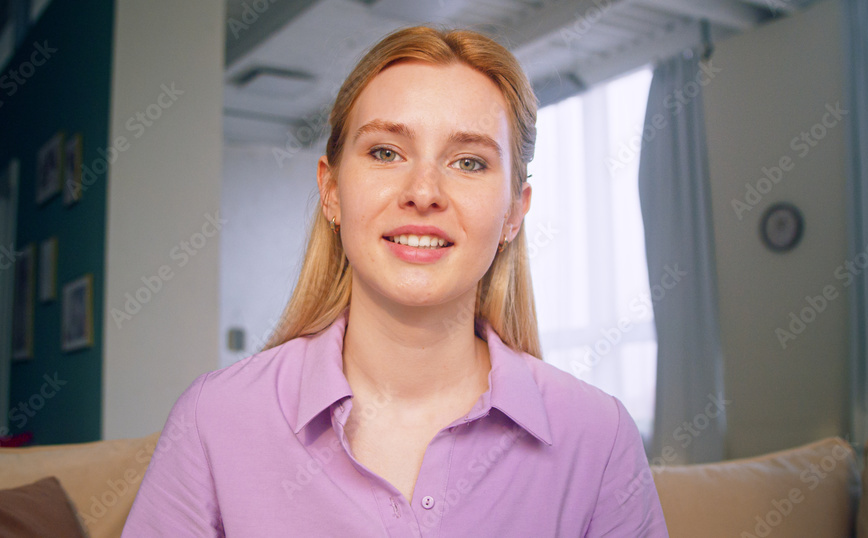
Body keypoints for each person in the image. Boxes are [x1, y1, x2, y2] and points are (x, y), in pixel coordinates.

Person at [123, 26, 668, 537]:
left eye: (469, 162)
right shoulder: (214, 420)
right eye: (386, 152)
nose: (423, 191)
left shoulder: (599, 438)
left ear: (513, 213)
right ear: (331, 190)